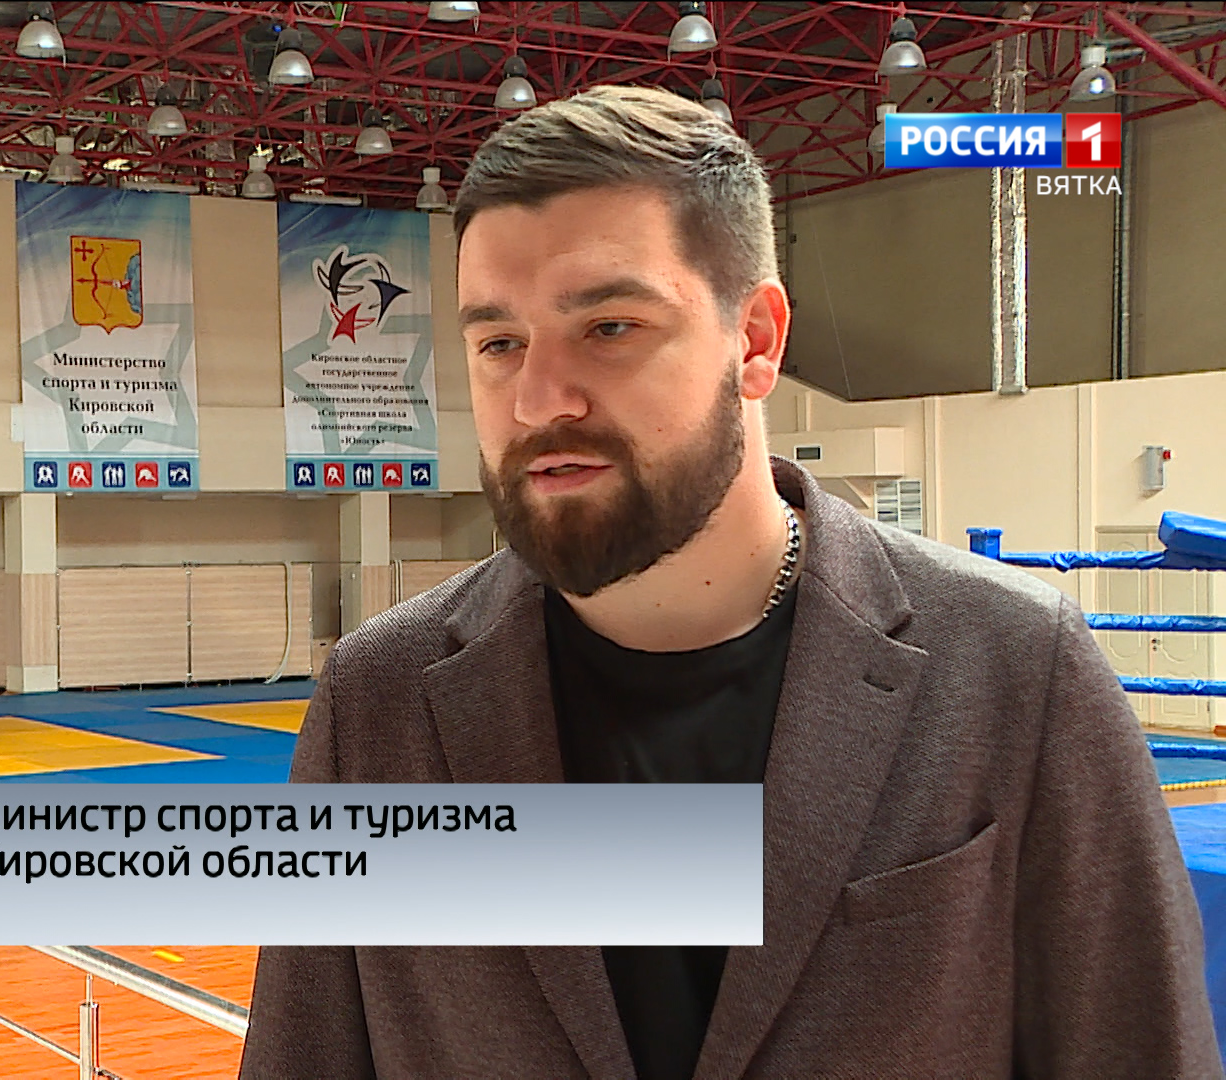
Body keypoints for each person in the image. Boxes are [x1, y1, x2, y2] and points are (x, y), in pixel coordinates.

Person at [238, 86, 1219, 1080]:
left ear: (755, 339)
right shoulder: (380, 704)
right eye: (499, 344)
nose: (539, 400)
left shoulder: (1017, 673)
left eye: (609, 327)